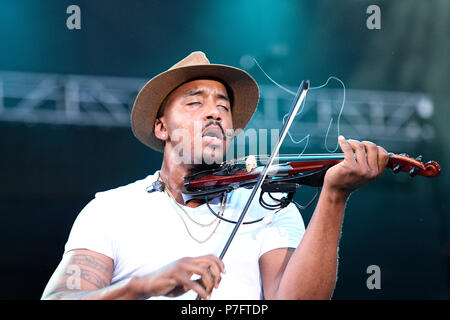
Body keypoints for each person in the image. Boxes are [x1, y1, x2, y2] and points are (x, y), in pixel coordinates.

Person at [41, 51, 389, 300]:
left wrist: (333, 197)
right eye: (195, 103)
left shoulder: (269, 205)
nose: (215, 113)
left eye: (223, 106)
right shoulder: (112, 208)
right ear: (161, 127)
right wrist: (143, 285)